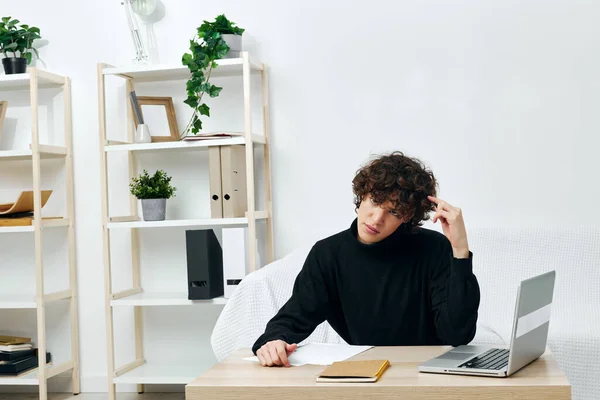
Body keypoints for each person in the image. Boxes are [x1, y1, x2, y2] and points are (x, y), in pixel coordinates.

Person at [253, 151, 480, 367]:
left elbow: (457, 335)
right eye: (374, 201)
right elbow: (296, 315)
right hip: (367, 373)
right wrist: (273, 341)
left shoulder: (433, 248)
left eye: (393, 212)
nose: (377, 218)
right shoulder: (328, 254)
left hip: (427, 372)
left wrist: (460, 251)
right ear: (362, 195)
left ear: (408, 216)